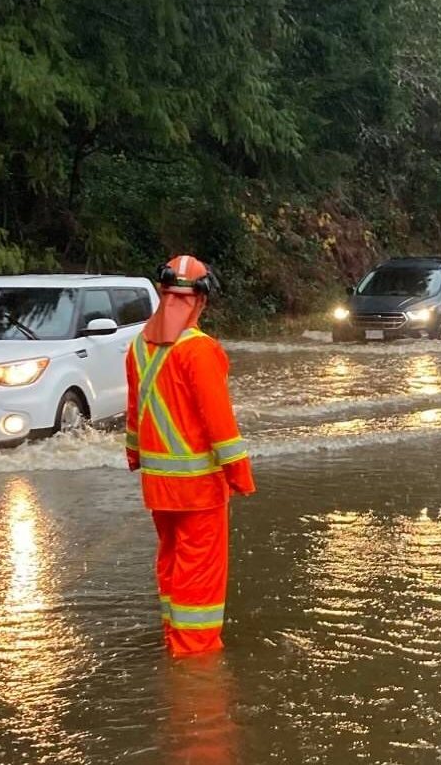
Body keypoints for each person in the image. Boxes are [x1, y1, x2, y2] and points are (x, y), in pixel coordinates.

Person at [125, 255, 255, 657]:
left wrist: (135, 457)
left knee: (172, 561)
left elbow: (135, 412)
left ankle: (174, 637)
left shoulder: (138, 346)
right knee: (199, 571)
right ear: (201, 300)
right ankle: (196, 660)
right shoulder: (200, 350)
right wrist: (240, 474)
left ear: (163, 294)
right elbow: (219, 422)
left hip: (159, 486)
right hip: (199, 489)